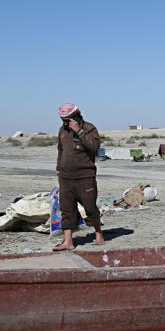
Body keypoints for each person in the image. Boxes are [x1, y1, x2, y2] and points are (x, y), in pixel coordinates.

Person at [53, 102, 104, 251]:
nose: (65, 122)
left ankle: (98, 233)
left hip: (85, 176)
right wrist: (58, 169)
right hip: (65, 177)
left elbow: (94, 148)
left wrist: (79, 131)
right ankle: (68, 241)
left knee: (90, 207)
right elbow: (60, 151)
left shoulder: (89, 129)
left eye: (68, 119)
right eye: (63, 119)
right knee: (67, 209)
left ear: (76, 116)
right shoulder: (62, 130)